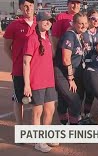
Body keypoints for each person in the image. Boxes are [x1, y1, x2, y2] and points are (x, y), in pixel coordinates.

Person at [23, 12, 57, 152]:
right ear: (38, 21)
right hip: (36, 81)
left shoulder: (48, 38)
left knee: (50, 110)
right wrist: (26, 84)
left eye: (50, 21)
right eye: (45, 20)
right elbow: (26, 62)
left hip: (49, 80)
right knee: (38, 111)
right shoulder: (31, 39)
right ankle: (38, 141)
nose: (48, 22)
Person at [3, 0, 36, 125]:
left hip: (36, 69)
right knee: (19, 99)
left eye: (31, 6)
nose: (28, 8)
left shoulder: (39, 23)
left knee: (37, 99)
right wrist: (16, 60)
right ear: (20, 8)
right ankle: (20, 125)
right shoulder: (14, 25)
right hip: (19, 70)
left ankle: (35, 127)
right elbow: (6, 47)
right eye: (25, 6)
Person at [54, 12, 88, 125]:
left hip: (70, 72)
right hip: (62, 73)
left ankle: (64, 123)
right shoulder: (70, 35)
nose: (83, 26)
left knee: (64, 100)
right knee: (75, 101)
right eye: (80, 23)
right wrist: (70, 79)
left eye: (85, 23)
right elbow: (66, 59)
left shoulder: (78, 35)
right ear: (73, 23)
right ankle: (72, 125)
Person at [78, 9, 98, 124]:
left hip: (94, 66)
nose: (96, 21)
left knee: (91, 92)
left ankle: (87, 113)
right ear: (88, 19)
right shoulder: (83, 32)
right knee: (80, 92)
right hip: (82, 66)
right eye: (93, 18)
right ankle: (77, 115)